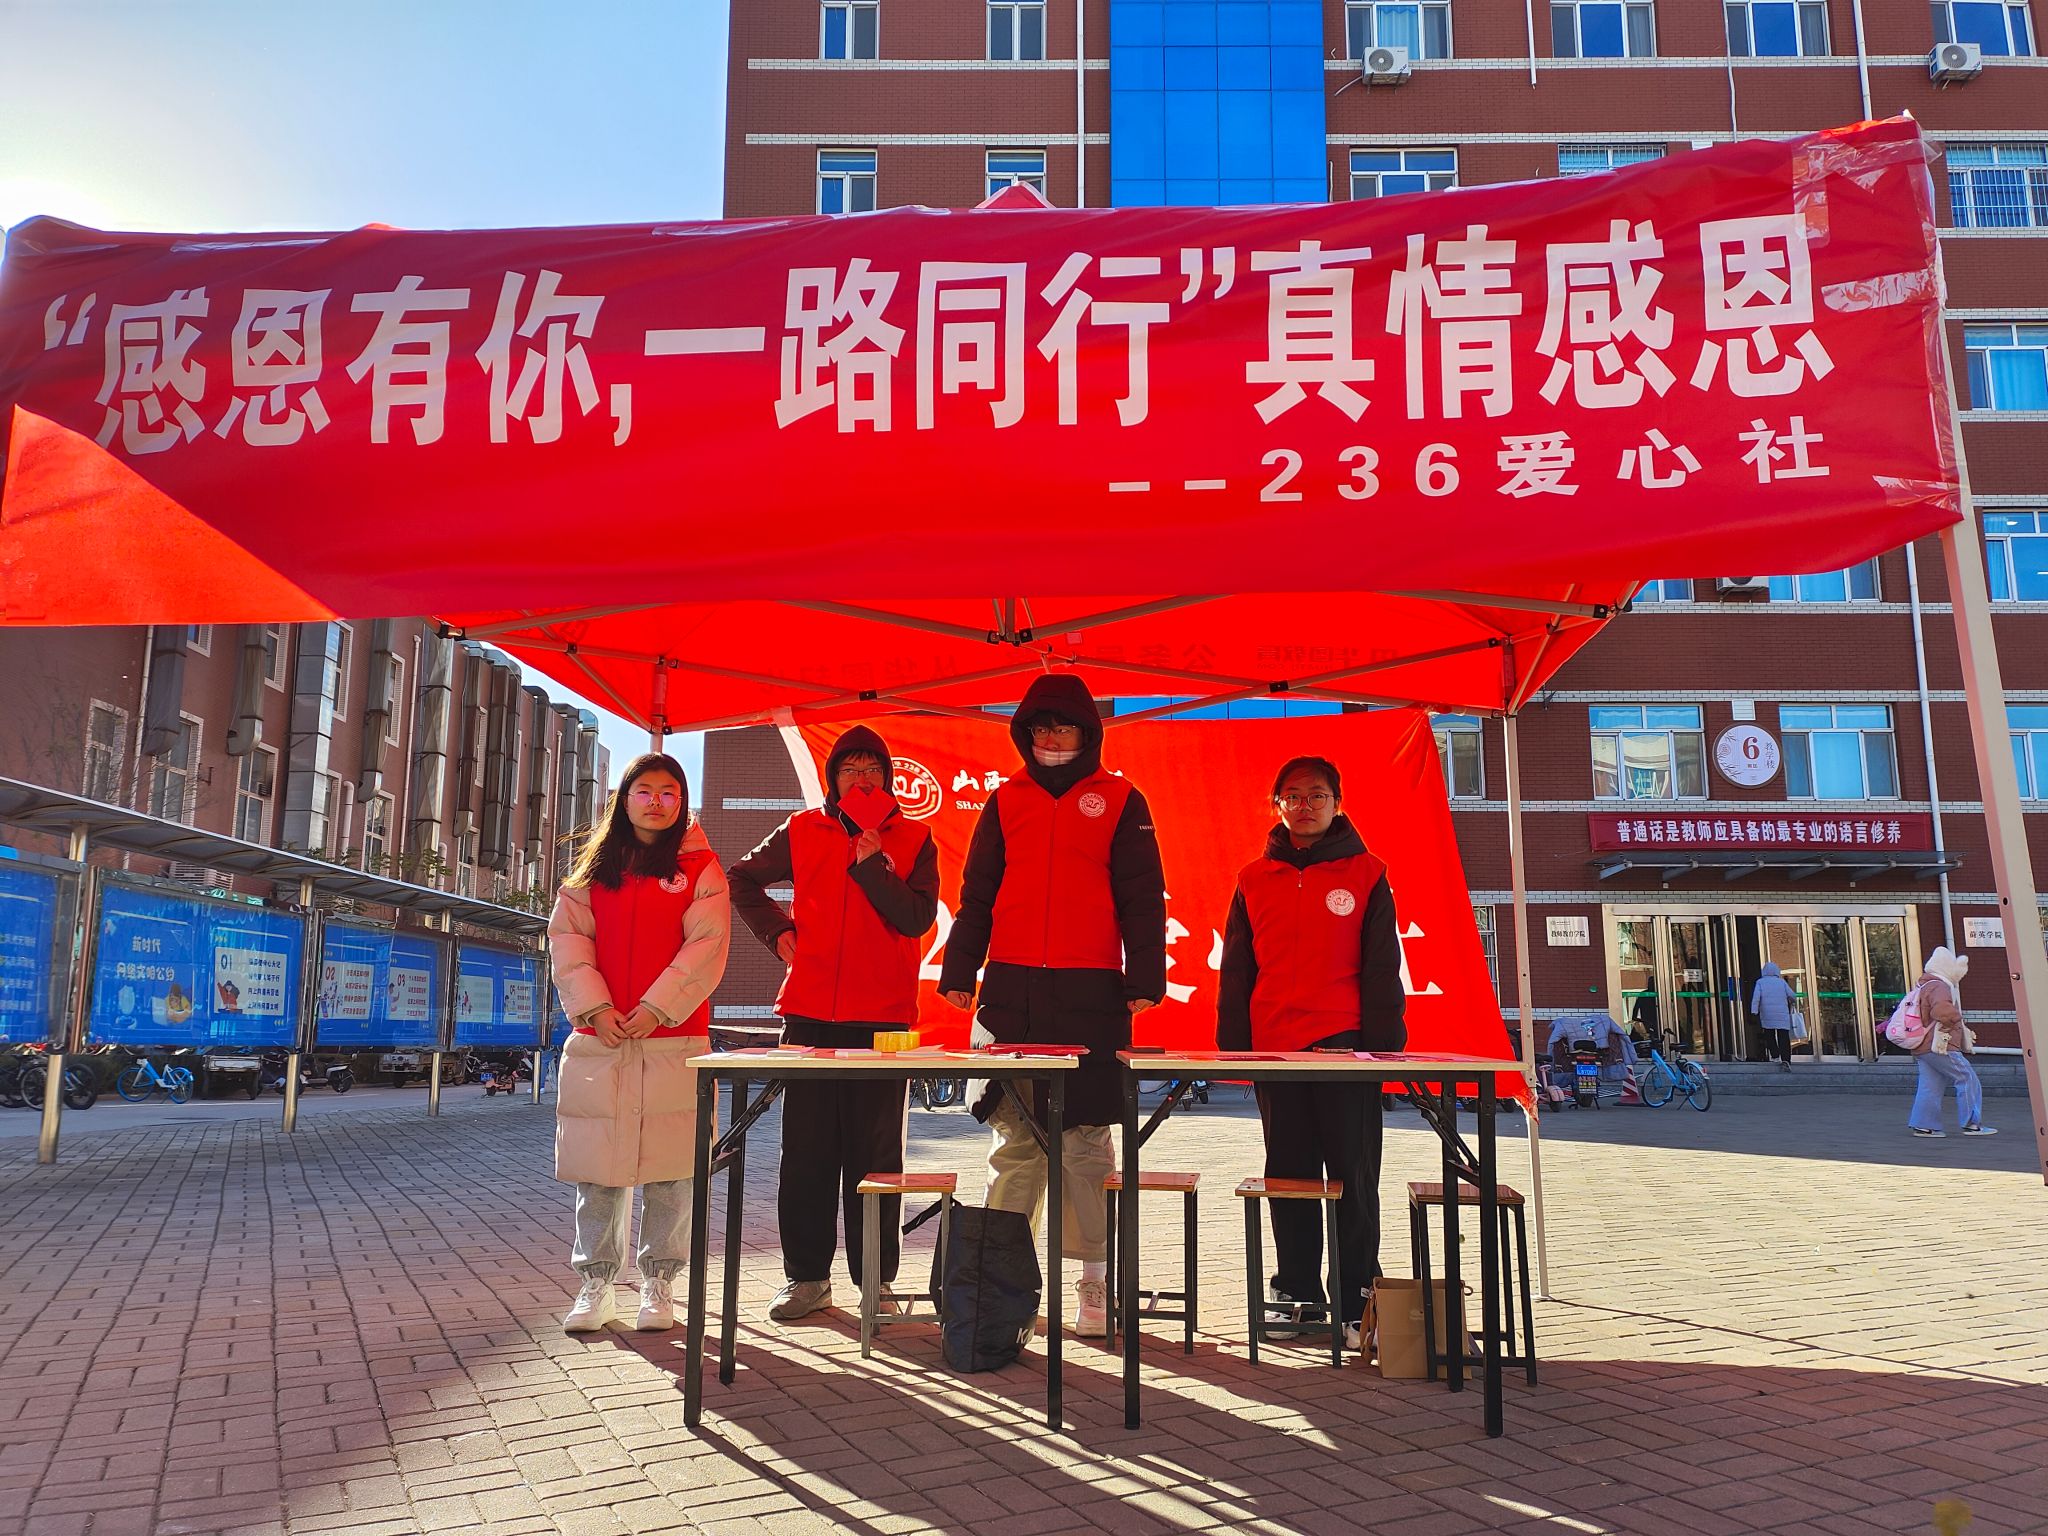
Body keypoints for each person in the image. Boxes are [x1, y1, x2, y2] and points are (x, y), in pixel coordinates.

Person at [938, 674, 1167, 1339]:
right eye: (1038, 727)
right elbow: (977, 893)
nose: (1050, 738)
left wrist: (1144, 977)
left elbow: (1142, 897)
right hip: (1011, 992)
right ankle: (999, 1287)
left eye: (1062, 726)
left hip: (1092, 992)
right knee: (1017, 1140)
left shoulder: (1121, 799)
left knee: (1083, 1142)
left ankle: (1093, 1282)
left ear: (1087, 733)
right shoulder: (1005, 800)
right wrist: (960, 968)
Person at [726, 725, 941, 1322]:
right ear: (833, 779)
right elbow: (740, 878)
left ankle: (877, 1281)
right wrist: (777, 932)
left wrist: (873, 866)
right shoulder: (802, 829)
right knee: (807, 1152)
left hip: (883, 1019)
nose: (862, 779)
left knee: (877, 1155)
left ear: (889, 779)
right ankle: (807, 1278)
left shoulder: (915, 837)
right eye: (850, 769)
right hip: (810, 1012)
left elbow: (917, 918)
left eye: (873, 769)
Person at [1217, 756, 1406, 1347]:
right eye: (1293, 795)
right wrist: (1235, 1048)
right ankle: (1296, 1294)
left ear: (1337, 804)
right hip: (1277, 1049)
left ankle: (1358, 1302)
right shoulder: (1253, 878)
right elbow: (1238, 968)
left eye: (1317, 795)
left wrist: (1383, 1048)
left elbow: (1382, 964)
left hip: (1346, 1048)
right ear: (1276, 804)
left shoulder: (1368, 873)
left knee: (1354, 1177)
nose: (1305, 805)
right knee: (1289, 1176)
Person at [548, 753, 730, 1333]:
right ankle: (596, 1285)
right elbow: (568, 941)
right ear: (623, 800)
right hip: (601, 1039)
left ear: (682, 801)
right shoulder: (590, 871)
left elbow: (706, 945)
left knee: (671, 1171)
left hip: (673, 1037)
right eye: (644, 790)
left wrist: (656, 1008)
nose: (656, 801)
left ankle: (659, 1281)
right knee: (598, 1170)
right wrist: (596, 1008)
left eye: (669, 792)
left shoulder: (701, 868)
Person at [1907, 946, 1997, 1139]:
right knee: (1967, 1078)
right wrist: (1955, 1021)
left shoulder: (1924, 985)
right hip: (1940, 1045)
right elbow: (1942, 1012)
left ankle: (1924, 1126)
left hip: (1922, 1046)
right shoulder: (1940, 986)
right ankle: (1972, 1124)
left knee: (1930, 1085)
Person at [1750, 961, 1798, 1071]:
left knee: (1769, 1034)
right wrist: (1793, 1001)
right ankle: (1786, 1059)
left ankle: (1775, 1055)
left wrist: (1754, 1011)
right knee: (1783, 1036)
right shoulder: (1781, 982)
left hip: (1767, 1013)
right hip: (1782, 1014)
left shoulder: (1760, 982)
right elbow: (1792, 995)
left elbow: (1756, 998)